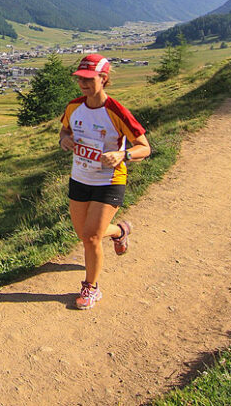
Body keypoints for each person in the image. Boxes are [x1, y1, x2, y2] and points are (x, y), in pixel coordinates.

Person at [58, 54, 150, 310]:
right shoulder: (74, 106)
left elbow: (144, 147)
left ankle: (91, 288)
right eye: (80, 79)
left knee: (90, 237)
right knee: (85, 234)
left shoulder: (116, 111)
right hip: (80, 178)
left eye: (89, 79)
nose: (83, 84)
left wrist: (123, 154)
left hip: (109, 181)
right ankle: (120, 231)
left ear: (104, 79)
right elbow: (65, 130)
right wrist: (64, 139)